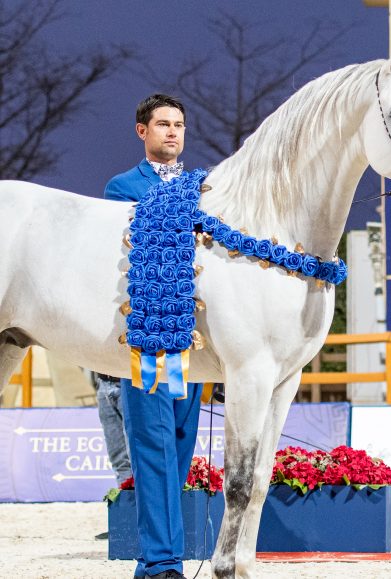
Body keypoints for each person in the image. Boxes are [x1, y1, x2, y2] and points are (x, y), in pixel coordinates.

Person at [105, 93, 202, 579]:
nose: (173, 132)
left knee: (179, 451)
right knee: (153, 449)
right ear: (141, 131)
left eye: (179, 124)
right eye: (163, 124)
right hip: (145, 338)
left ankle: (163, 554)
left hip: (190, 341)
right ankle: (160, 562)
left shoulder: (204, 188)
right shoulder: (122, 188)